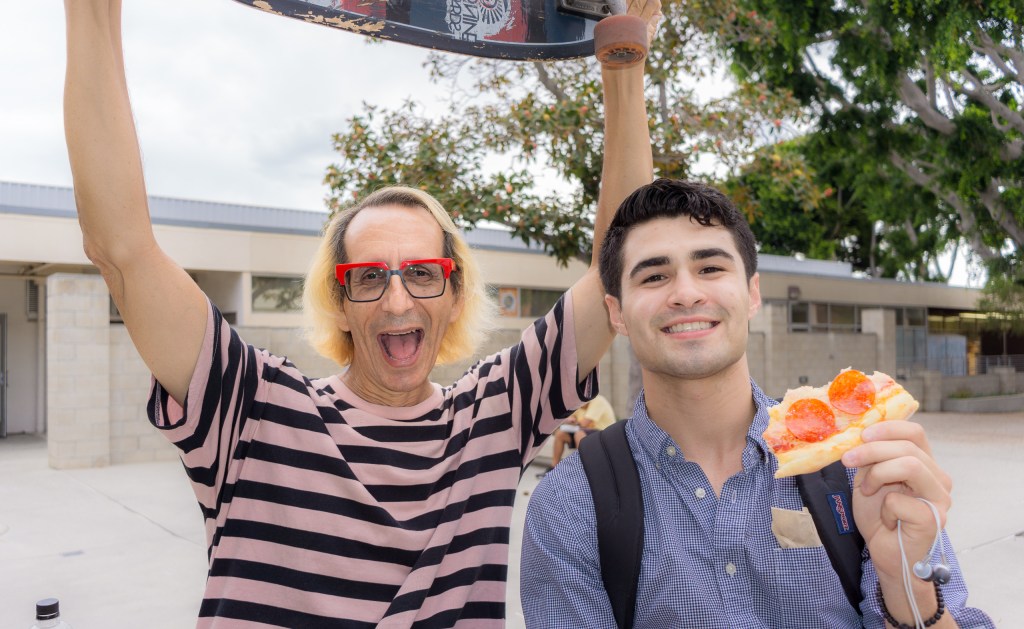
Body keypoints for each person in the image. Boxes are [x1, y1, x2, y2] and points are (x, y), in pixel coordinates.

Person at [61, 0, 659, 626]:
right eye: (369, 277)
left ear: (454, 296)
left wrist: (623, 62)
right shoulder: (256, 412)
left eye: (423, 274)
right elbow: (120, 247)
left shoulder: (495, 416)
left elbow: (622, 263)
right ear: (340, 303)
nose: (398, 300)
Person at [521, 179, 994, 628]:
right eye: (654, 276)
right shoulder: (571, 503)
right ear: (617, 313)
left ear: (751, 294)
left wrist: (904, 581)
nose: (686, 293)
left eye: (710, 268)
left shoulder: (860, 467)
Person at [549, 394, 616, 468]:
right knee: (560, 434)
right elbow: (568, 419)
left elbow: (585, 423)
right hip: (586, 433)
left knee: (579, 434)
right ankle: (553, 467)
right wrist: (569, 420)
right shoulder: (579, 403)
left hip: (604, 435)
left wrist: (571, 421)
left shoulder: (598, 400)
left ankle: (581, 468)